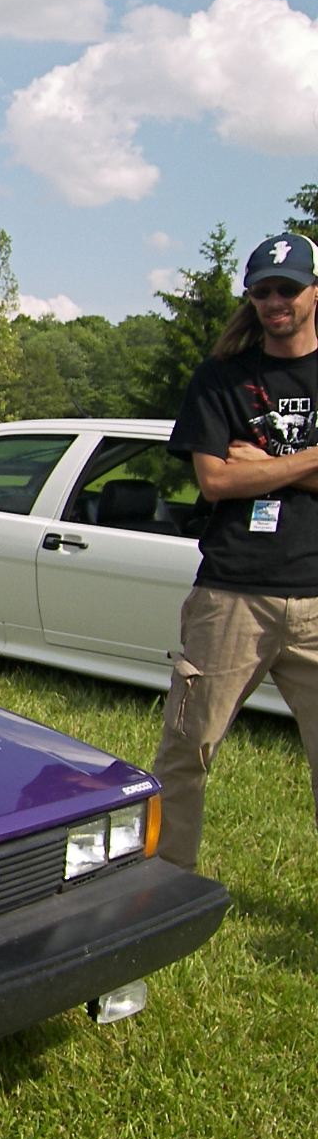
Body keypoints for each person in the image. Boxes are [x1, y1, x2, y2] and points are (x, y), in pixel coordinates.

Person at [152, 230, 318, 871]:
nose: (275, 301)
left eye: (288, 289)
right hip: (230, 596)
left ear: (314, 292)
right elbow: (215, 482)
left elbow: (238, 472)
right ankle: (167, 884)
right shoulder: (220, 379)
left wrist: (265, 463)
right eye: (262, 291)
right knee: (185, 751)